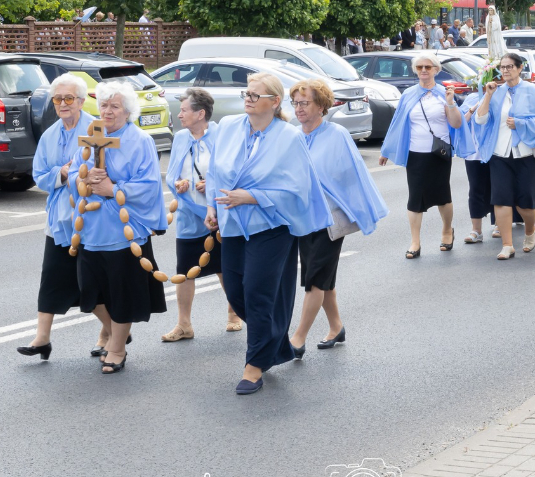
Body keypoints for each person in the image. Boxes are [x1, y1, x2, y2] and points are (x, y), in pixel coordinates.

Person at [206, 72, 330, 395]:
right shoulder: (229, 128)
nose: (247, 99)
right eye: (246, 94)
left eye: (255, 95)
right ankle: (274, 342)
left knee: (258, 293)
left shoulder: (289, 138)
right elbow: (214, 171)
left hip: (272, 227)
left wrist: (251, 196)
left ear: (274, 103)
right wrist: (212, 209)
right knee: (236, 291)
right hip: (233, 224)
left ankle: (254, 367)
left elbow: (297, 189)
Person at [68, 80, 168, 375]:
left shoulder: (140, 140)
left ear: (127, 111)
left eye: (114, 106)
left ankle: (118, 348)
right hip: (91, 227)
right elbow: (75, 169)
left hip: (124, 230)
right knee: (91, 292)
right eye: (103, 105)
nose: (107, 111)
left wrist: (113, 187)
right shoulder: (91, 136)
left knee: (122, 293)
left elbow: (149, 185)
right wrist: (82, 181)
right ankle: (115, 331)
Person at [288, 79, 387, 355]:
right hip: (302, 218)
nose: (299, 108)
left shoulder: (337, 134)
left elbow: (350, 174)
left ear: (321, 106)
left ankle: (297, 338)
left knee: (315, 280)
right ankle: (336, 326)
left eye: (304, 103)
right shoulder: (293, 135)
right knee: (321, 278)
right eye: (295, 102)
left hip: (329, 218)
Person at [18, 74, 98, 361]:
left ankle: (112, 332)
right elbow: (39, 175)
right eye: (57, 99)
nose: (63, 104)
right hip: (59, 220)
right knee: (51, 276)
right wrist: (62, 173)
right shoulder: (50, 134)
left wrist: (77, 172)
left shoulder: (96, 129)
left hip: (91, 218)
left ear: (81, 100)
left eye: (69, 98)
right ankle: (42, 338)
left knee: (91, 280)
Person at [160, 88, 243, 343]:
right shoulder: (182, 137)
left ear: (201, 113)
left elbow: (234, 172)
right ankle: (184, 325)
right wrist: (180, 184)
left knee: (223, 267)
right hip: (188, 213)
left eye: (184, 110)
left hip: (218, 213)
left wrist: (213, 185)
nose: (180, 114)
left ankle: (234, 312)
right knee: (185, 270)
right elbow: (172, 175)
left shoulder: (222, 136)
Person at [377, 51, 465, 258]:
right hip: (415, 153)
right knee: (415, 197)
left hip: (439, 153)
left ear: (436, 70)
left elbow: (457, 124)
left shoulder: (444, 93)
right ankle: (415, 241)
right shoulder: (408, 94)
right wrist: (386, 150)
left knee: (442, 196)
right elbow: (397, 123)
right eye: (419, 67)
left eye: (428, 67)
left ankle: (446, 230)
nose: (424, 71)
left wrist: (451, 103)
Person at [473, 53, 535, 258]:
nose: (506, 70)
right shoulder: (496, 92)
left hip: (526, 153)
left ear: (520, 68)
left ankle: (530, 229)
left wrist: (520, 123)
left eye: (510, 66)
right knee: (500, 199)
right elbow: (481, 120)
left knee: (525, 201)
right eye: (503, 67)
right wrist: (488, 95)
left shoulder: (532, 90)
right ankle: (507, 245)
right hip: (499, 152)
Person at [458, 87, 495, 244]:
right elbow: (461, 121)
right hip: (474, 153)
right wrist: (474, 108)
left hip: (495, 151)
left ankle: (499, 224)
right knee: (475, 190)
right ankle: (476, 230)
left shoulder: (500, 96)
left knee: (498, 188)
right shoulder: (472, 98)